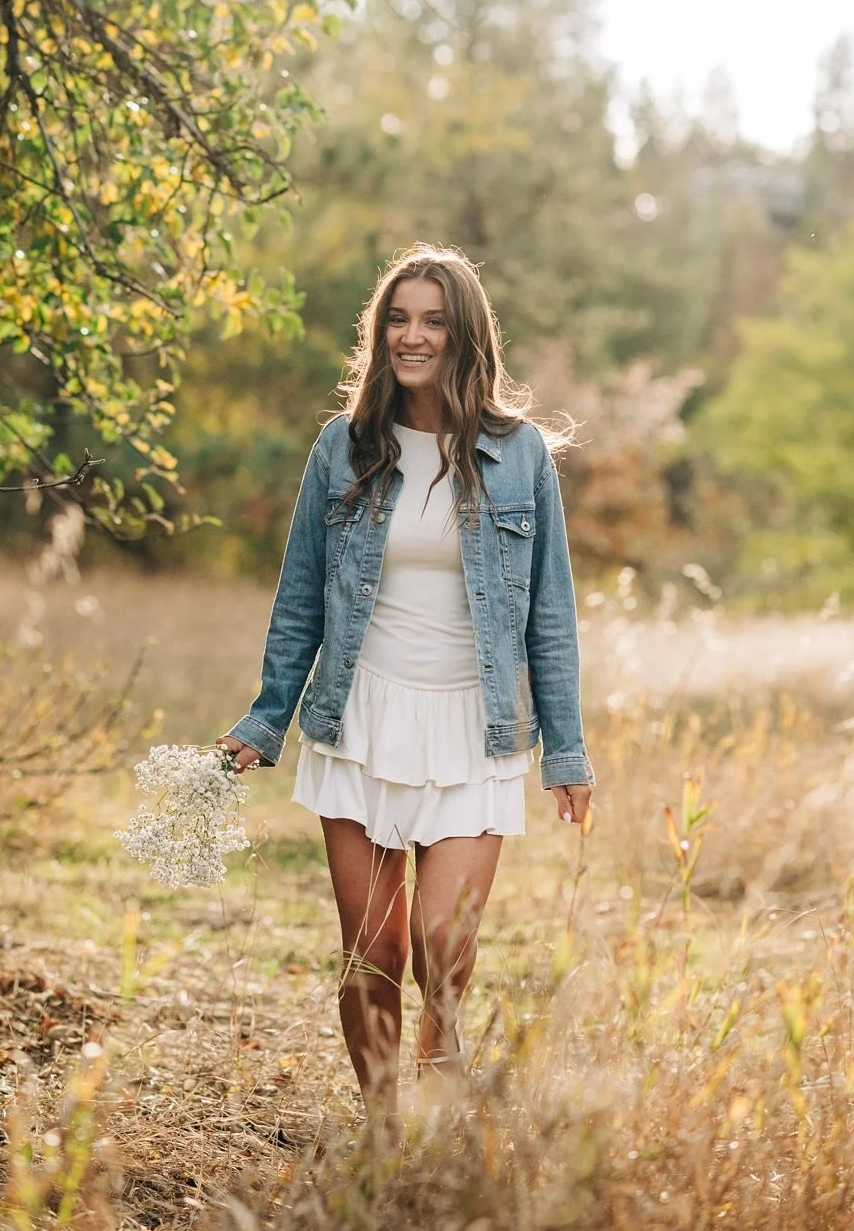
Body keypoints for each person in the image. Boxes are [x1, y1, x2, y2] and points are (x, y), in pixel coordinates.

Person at [219, 242, 594, 1132]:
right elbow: (300, 595)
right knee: (373, 950)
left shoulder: (520, 455)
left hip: (477, 728)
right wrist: (266, 717)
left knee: (440, 943)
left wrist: (567, 747)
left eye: (432, 320)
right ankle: (385, 1131)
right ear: (378, 329)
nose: (411, 336)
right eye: (397, 318)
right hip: (362, 717)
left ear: (465, 337)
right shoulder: (342, 449)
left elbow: (551, 613)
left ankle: (443, 1070)